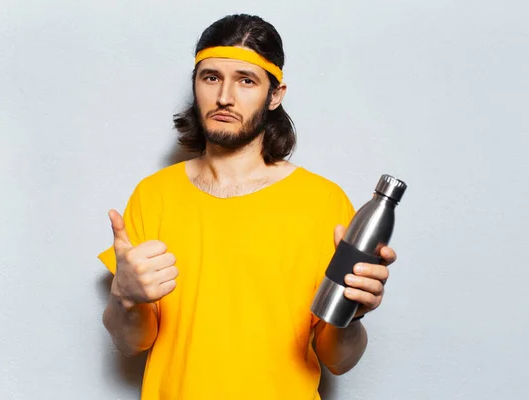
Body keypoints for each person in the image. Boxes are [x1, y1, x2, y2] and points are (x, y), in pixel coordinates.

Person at [98, 13, 397, 400]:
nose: (224, 96)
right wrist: (124, 296)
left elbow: (338, 359)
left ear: (275, 94)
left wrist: (353, 315)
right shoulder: (154, 194)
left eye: (246, 80)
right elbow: (130, 343)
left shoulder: (324, 202)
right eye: (211, 77)